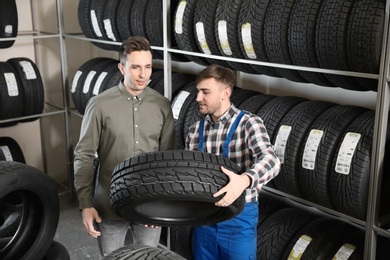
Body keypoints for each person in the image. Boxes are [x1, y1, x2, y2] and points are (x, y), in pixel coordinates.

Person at [73, 36, 175, 258]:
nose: (143, 74)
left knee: (148, 257)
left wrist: (160, 203)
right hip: (109, 204)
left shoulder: (162, 105)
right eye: (135, 67)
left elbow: (167, 159)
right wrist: (85, 203)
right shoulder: (99, 104)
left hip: (149, 204)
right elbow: (84, 154)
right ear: (121, 68)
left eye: (148, 67)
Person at [185, 64, 281, 259]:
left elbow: (272, 160)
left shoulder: (249, 124)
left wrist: (244, 180)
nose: (198, 98)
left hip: (239, 219)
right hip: (204, 220)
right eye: (198, 91)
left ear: (225, 93)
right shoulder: (195, 130)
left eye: (205, 92)